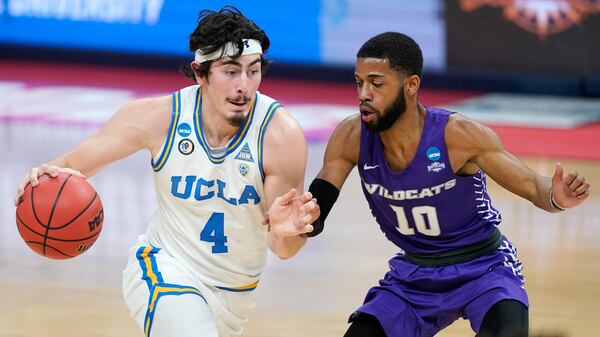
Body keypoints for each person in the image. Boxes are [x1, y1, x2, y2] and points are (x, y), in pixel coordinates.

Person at [15, 6, 319, 337]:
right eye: (231, 72)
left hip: (235, 297)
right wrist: (45, 174)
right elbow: (75, 165)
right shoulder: (159, 117)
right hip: (163, 269)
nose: (244, 86)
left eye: (253, 71)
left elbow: (283, 249)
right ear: (200, 73)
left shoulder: (280, 135)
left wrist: (286, 232)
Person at [305, 32, 590, 337]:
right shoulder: (351, 136)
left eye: (376, 84)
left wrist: (557, 196)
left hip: (483, 268)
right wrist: (298, 218)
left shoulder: (459, 135)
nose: (363, 93)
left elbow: (535, 187)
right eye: (358, 82)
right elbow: (316, 209)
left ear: (411, 85)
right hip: (413, 277)